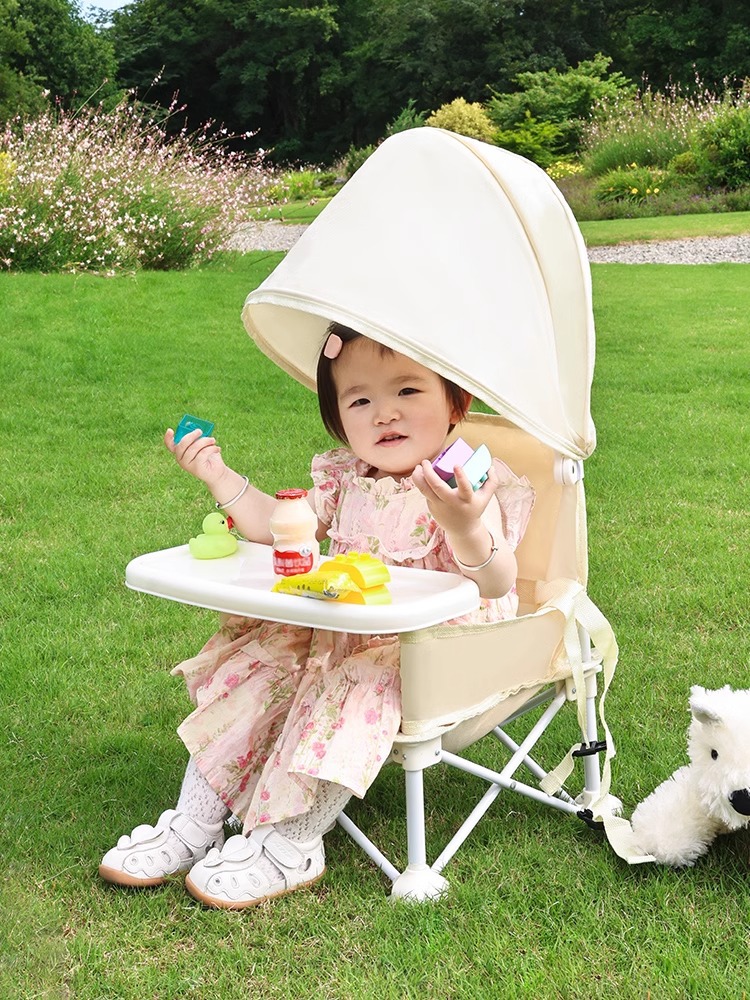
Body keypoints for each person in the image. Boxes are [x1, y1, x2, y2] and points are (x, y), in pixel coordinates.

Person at [99, 323, 533, 908]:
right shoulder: (345, 481)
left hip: (432, 648)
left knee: (355, 680)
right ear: (339, 420)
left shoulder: (464, 487)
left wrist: (464, 524)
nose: (384, 413)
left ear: (457, 402)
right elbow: (280, 529)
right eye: (360, 400)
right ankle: (196, 819)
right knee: (264, 661)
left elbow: (497, 580)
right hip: (347, 627)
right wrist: (218, 476)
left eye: (407, 391)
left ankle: (293, 840)